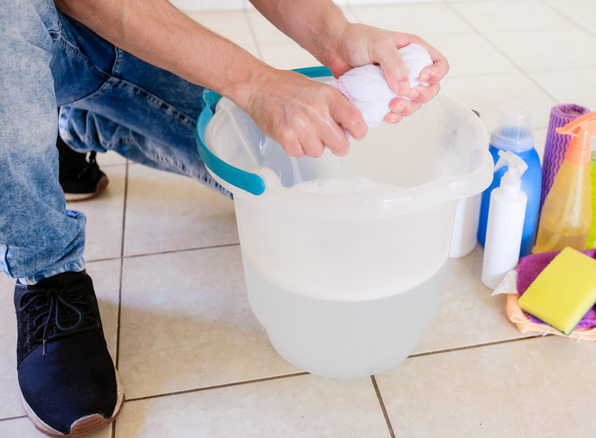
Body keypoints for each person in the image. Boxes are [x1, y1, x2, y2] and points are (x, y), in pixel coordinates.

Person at [1, 0, 448, 436]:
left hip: (104, 30)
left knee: (280, 167)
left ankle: (61, 128)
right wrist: (254, 84)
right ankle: (47, 272)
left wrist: (335, 35)